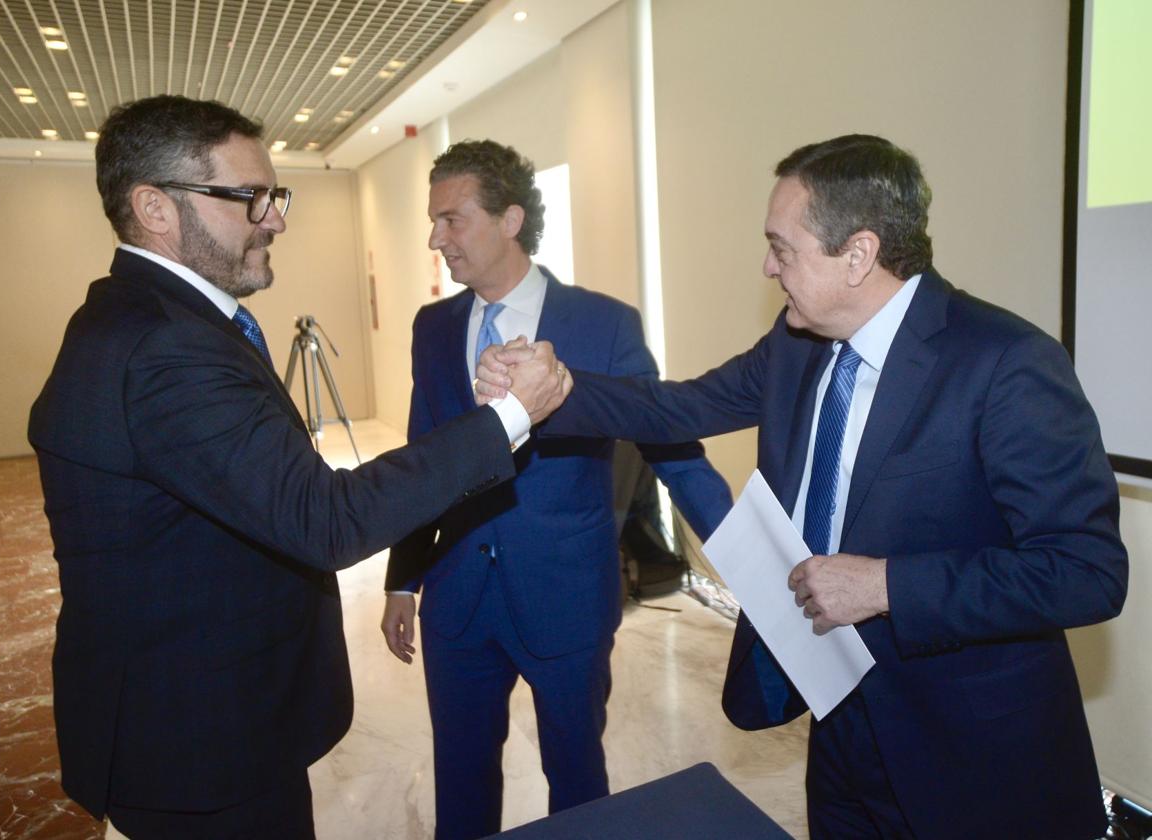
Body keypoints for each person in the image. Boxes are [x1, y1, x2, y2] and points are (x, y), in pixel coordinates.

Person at [477, 134, 1128, 839]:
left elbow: (1085, 572)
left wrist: (886, 586)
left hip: (969, 752)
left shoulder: (1005, 363)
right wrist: (552, 389)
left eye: (782, 248)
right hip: (838, 720)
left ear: (858, 255)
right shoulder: (797, 346)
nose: (767, 267)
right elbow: (676, 408)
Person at [27, 96, 567, 840]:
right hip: (198, 744)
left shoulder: (150, 319)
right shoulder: (166, 349)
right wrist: (511, 417)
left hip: (208, 725)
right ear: (154, 207)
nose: (275, 218)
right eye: (249, 198)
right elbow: (324, 517)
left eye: (273, 195)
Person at [379, 139, 732, 839]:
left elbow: (675, 451)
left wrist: (760, 569)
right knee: (462, 780)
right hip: (458, 607)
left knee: (577, 783)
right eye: (433, 221)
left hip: (565, 598)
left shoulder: (605, 325)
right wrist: (402, 581)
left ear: (510, 219)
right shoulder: (433, 328)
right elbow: (423, 460)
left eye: (452, 220)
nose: (434, 238)